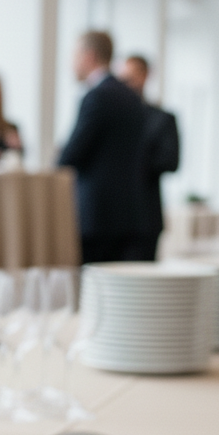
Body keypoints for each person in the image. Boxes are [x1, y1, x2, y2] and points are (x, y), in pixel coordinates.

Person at [58, 30, 151, 264]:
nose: (72, 63)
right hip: (129, 213)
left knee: (93, 288)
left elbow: (72, 154)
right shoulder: (132, 98)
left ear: (89, 56)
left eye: (75, 55)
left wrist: (58, 156)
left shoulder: (96, 97)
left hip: (96, 215)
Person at [119, 54, 181, 261]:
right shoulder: (110, 119)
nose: (125, 84)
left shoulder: (162, 118)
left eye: (130, 77)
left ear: (145, 76)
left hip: (145, 217)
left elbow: (171, 161)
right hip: (110, 219)